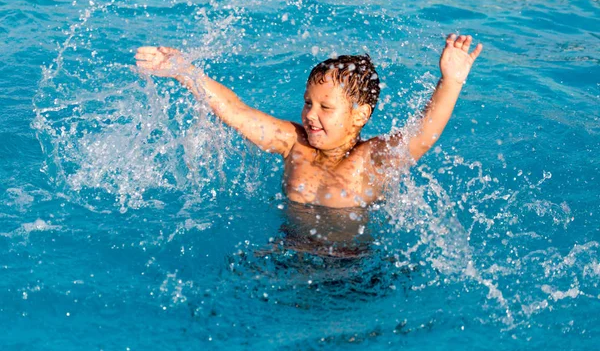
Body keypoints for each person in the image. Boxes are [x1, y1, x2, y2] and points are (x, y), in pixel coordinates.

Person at [135, 34, 482, 209]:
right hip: (289, 253)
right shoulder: (293, 143)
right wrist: (185, 72)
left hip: (350, 265)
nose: (310, 115)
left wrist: (450, 81)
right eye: (307, 103)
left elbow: (422, 135)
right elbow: (237, 113)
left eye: (325, 108)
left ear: (359, 115)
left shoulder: (371, 160)